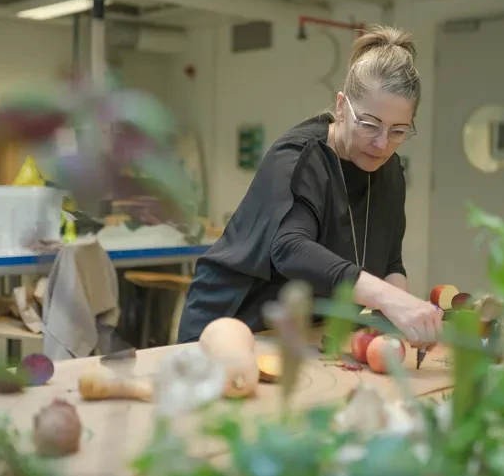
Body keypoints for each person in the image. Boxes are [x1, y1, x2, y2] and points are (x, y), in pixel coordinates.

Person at [176, 25, 443, 347]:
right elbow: (289, 248)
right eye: (370, 125)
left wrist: (399, 316)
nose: (382, 145)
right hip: (235, 321)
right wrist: (388, 299)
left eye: (399, 131)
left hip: (305, 330)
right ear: (342, 106)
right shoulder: (299, 157)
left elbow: (390, 263)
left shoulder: (390, 171)